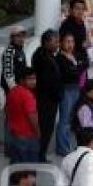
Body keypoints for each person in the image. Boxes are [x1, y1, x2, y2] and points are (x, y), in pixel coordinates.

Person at [31, 29, 63, 162]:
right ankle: (39, 154)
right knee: (45, 127)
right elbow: (47, 81)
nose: (57, 44)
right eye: (55, 42)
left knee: (47, 128)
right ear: (46, 42)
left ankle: (41, 154)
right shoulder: (42, 57)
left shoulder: (49, 56)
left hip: (50, 98)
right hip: (46, 99)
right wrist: (56, 94)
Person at [56, 32, 84, 157]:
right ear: (61, 43)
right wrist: (77, 68)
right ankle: (62, 148)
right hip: (67, 90)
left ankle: (66, 144)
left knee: (70, 119)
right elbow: (70, 73)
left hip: (75, 88)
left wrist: (77, 68)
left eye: (72, 41)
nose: (70, 44)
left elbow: (82, 67)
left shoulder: (73, 55)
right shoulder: (60, 58)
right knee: (65, 119)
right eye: (67, 41)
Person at [5, 67, 40, 164]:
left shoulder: (12, 92)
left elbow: (6, 110)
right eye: (30, 79)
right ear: (21, 80)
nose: (34, 81)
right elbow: (32, 116)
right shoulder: (28, 95)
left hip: (14, 134)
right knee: (29, 168)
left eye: (34, 78)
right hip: (28, 136)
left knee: (16, 166)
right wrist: (38, 132)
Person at [59, 0, 90, 74]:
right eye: (77, 8)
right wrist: (82, 45)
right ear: (71, 10)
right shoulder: (67, 26)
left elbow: (83, 37)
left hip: (81, 55)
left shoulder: (80, 21)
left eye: (82, 9)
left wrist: (86, 41)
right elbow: (65, 47)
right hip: (73, 60)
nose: (80, 11)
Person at [0, 26, 28, 96]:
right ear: (12, 38)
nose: (21, 39)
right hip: (12, 87)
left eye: (23, 36)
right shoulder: (9, 51)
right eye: (18, 36)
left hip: (20, 85)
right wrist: (14, 89)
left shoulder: (20, 49)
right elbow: (8, 73)